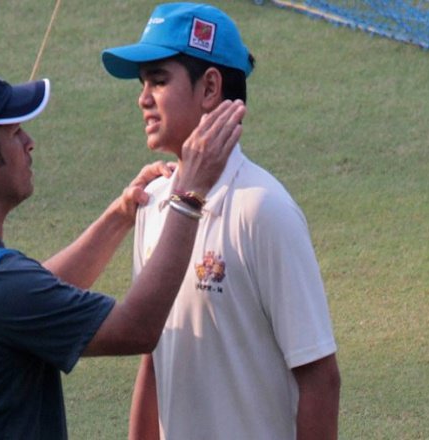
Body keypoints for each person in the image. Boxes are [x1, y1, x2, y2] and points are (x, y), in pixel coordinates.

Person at [0, 63, 245, 439]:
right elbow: (136, 329)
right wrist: (188, 196)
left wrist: (118, 217)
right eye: (14, 133)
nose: (30, 142)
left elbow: (31, 297)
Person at [101, 3, 341, 439]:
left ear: (210, 87)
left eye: (158, 80)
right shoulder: (153, 203)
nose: (143, 98)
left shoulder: (263, 209)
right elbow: (153, 360)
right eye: (142, 84)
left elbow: (320, 378)